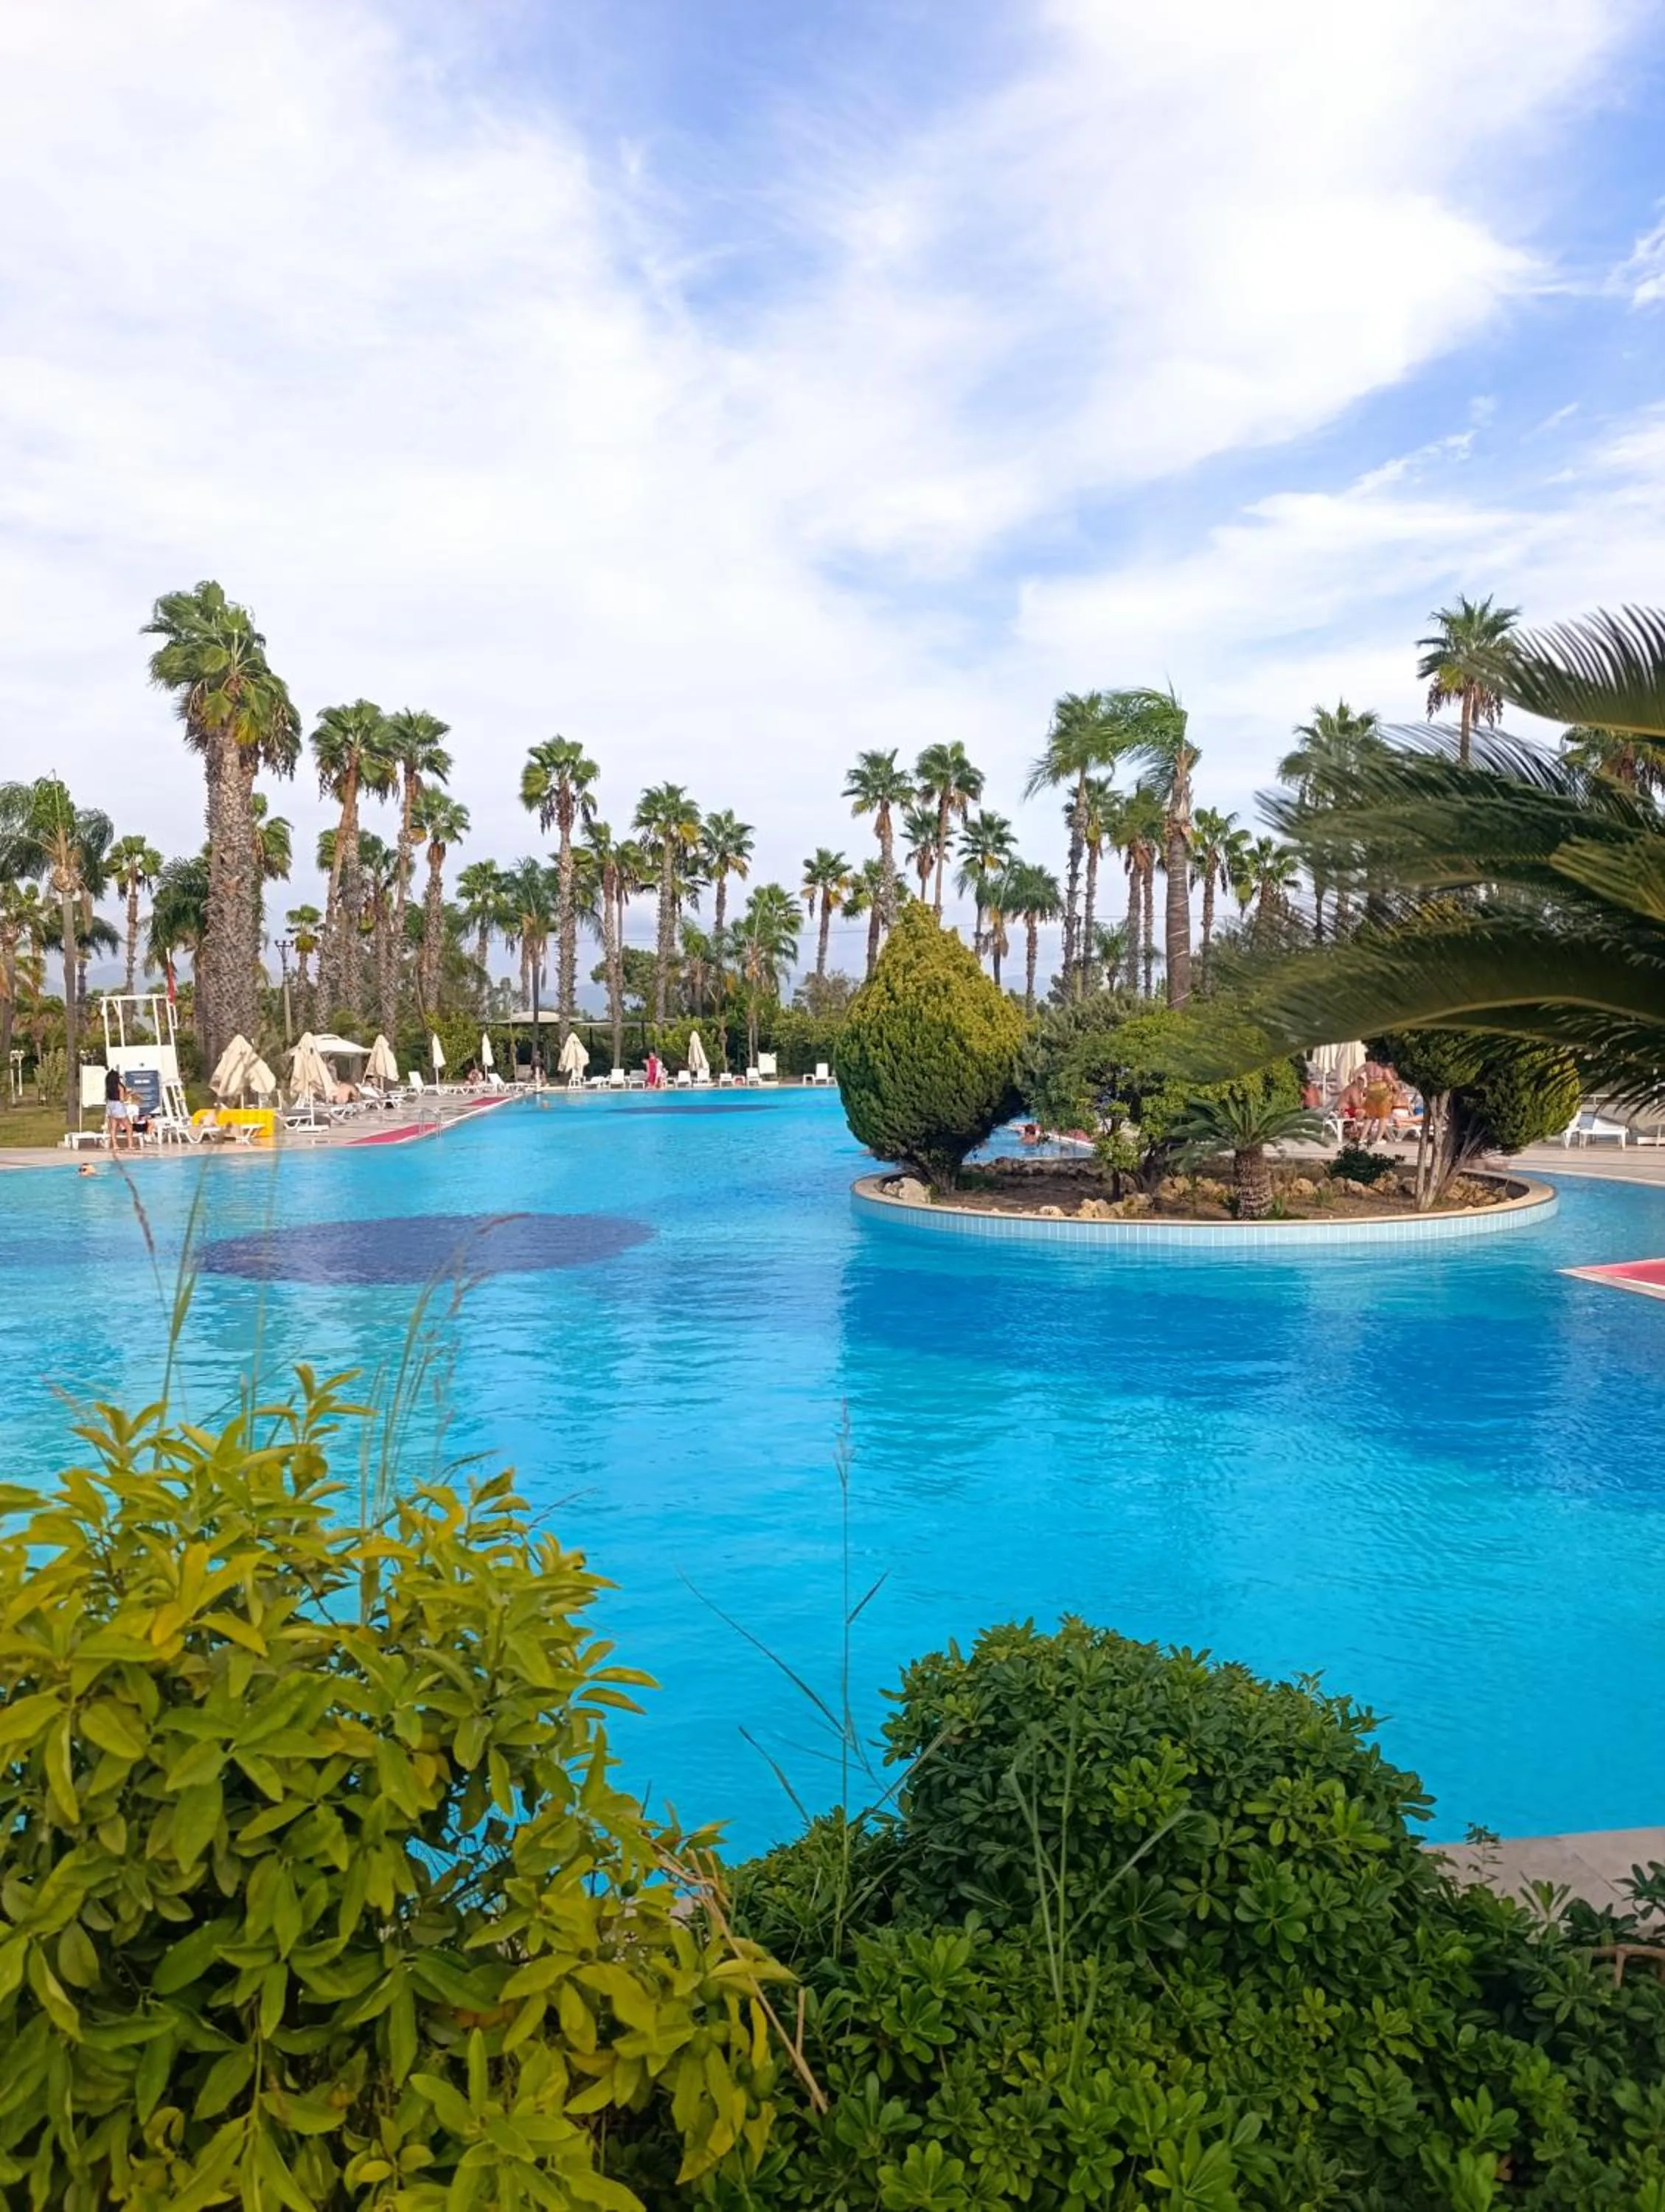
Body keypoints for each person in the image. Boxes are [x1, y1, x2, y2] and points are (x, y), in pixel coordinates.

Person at [103, 1066, 136, 1155]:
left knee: (113, 1127)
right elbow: (122, 1099)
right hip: (118, 1106)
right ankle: (130, 1145)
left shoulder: (109, 1086)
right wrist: (129, 1094)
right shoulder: (120, 1086)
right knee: (129, 1126)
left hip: (110, 1105)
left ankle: (115, 1145)